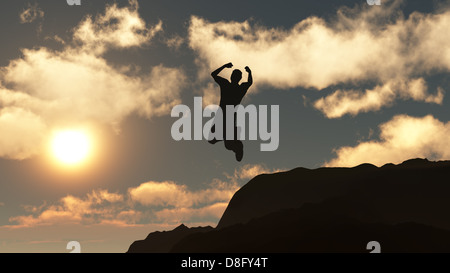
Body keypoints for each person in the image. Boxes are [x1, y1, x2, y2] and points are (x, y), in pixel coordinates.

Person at [208, 62, 253, 162]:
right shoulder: (236, 87)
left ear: (234, 77)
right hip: (224, 116)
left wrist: (224, 66)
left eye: (234, 75)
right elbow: (249, 82)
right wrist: (249, 73)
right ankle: (232, 137)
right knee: (212, 140)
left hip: (228, 116)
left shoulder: (227, 85)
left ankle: (237, 145)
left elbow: (213, 74)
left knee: (227, 145)